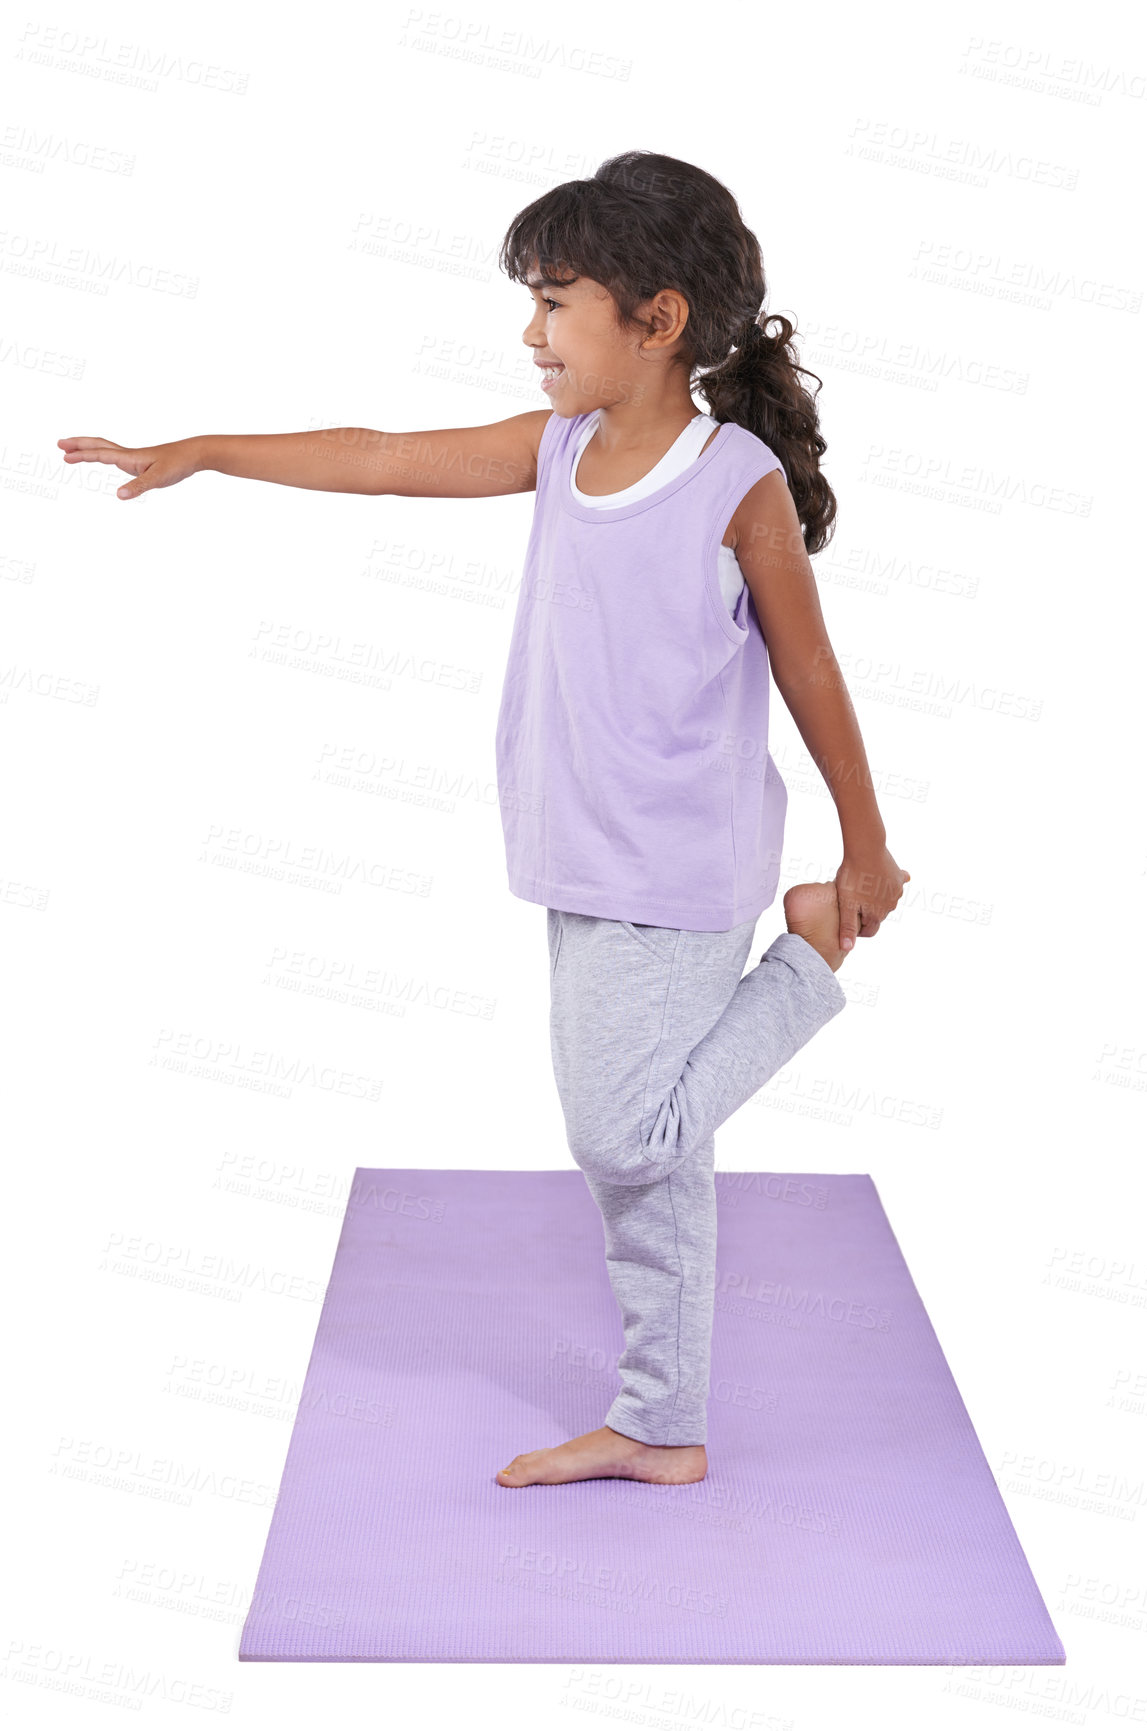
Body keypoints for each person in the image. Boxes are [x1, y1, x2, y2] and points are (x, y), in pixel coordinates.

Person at [57, 149, 909, 1495]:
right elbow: (388, 459)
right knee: (652, 1166)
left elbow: (810, 669)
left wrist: (859, 856)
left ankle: (810, 961)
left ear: (658, 316)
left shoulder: (730, 478)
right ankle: (664, 1426)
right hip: (578, 848)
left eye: (556, 302)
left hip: (680, 862)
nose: (531, 333)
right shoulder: (562, 447)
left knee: (624, 1136)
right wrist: (212, 451)